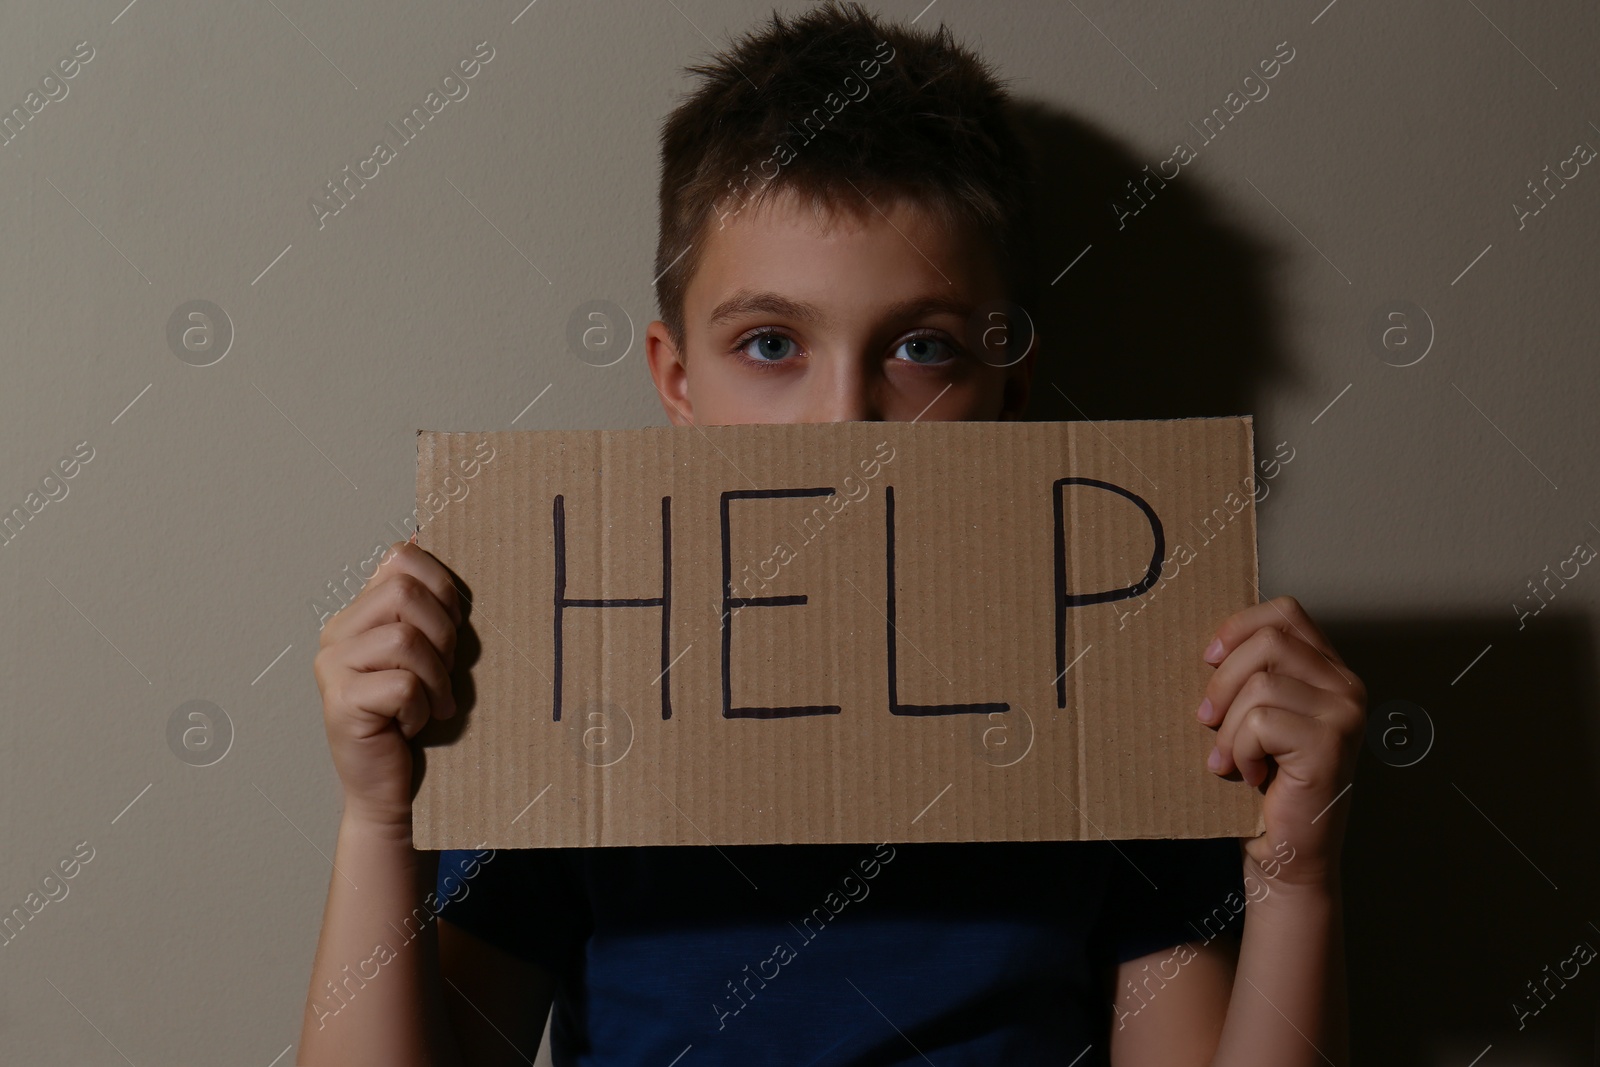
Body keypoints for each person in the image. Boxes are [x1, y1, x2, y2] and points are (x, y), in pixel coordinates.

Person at [297, 3, 1366, 1064]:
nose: (842, 420)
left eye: (919, 348)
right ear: (677, 381)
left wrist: (1294, 884)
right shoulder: (582, 703)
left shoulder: (1118, 689)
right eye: (770, 343)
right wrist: (377, 821)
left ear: (1009, 386)